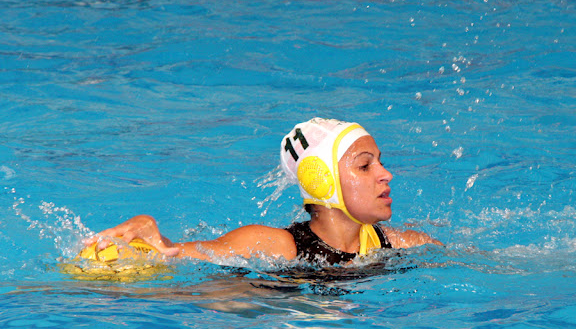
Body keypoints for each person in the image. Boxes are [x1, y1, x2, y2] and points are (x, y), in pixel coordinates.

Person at [85, 118, 441, 266]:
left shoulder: (405, 244)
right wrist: (149, 234)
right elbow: (174, 257)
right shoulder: (275, 246)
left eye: (381, 162)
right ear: (321, 180)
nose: (386, 174)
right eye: (365, 166)